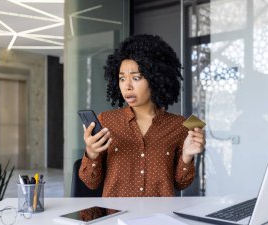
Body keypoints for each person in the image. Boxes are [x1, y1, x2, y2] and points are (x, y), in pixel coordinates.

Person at [79, 34, 205, 197]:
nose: (127, 86)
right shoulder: (106, 121)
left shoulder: (179, 126)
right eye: (122, 78)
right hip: (115, 217)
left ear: (156, 79)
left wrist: (187, 156)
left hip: (160, 218)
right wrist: (91, 152)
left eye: (136, 78)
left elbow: (180, 183)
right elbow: (90, 182)